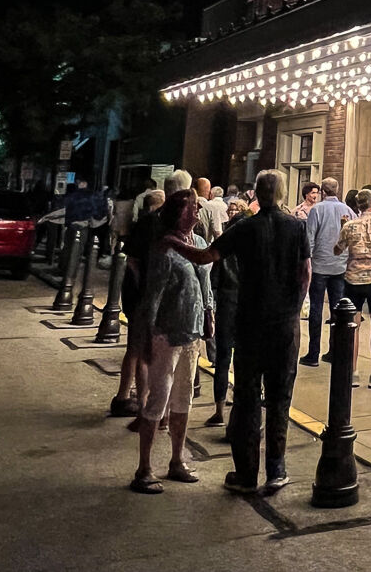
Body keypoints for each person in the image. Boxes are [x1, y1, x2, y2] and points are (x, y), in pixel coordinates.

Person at [168, 169, 310, 495]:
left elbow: (207, 256)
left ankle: (246, 473)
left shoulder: (244, 228)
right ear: (283, 194)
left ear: (256, 194)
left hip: (249, 323)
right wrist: (292, 309)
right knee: (280, 399)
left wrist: (175, 243)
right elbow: (305, 274)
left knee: (247, 398)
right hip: (284, 326)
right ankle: (276, 469)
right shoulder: (296, 227)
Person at [130, 187, 213, 494]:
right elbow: (153, 295)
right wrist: (147, 335)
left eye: (196, 208)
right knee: (158, 399)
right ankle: (144, 467)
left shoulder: (200, 243)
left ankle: (177, 460)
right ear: (177, 213)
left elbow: (207, 285)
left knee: (184, 399)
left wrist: (209, 313)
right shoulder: (165, 248)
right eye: (190, 208)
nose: (196, 212)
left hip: (192, 334)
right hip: (166, 333)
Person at [111, 187, 164, 419]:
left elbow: (130, 258)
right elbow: (134, 261)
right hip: (142, 296)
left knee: (135, 348)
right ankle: (139, 402)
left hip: (134, 295)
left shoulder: (143, 223)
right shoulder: (154, 225)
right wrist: (148, 286)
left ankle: (125, 397)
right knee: (142, 350)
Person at [334, 189, 371, 388]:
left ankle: (352, 372)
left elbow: (337, 250)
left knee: (354, 325)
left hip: (353, 279)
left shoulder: (349, 226)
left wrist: (344, 228)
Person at [301, 177, 356, 368]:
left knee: (316, 308)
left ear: (323, 191)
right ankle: (334, 351)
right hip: (340, 266)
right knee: (337, 311)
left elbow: (310, 239)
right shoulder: (348, 211)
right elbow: (352, 238)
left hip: (319, 266)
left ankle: (313, 353)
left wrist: (306, 262)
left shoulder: (317, 210)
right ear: (337, 190)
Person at [206, 196, 248, 428]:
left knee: (223, 359)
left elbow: (214, 280)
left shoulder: (224, 247)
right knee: (244, 359)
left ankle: (219, 409)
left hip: (226, 303)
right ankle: (240, 409)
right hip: (246, 306)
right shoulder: (252, 249)